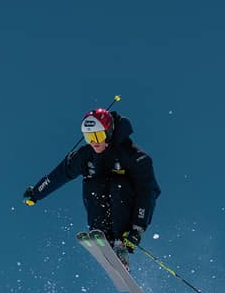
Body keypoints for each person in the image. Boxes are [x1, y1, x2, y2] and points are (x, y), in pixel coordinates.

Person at [22, 106, 162, 262]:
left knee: (118, 183)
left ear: (108, 133)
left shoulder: (134, 157)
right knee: (92, 182)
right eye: (89, 137)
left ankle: (119, 244)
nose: (94, 142)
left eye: (97, 135)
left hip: (128, 210)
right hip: (102, 208)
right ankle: (102, 235)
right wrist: (36, 193)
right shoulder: (87, 155)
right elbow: (61, 173)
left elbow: (147, 192)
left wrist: (137, 229)